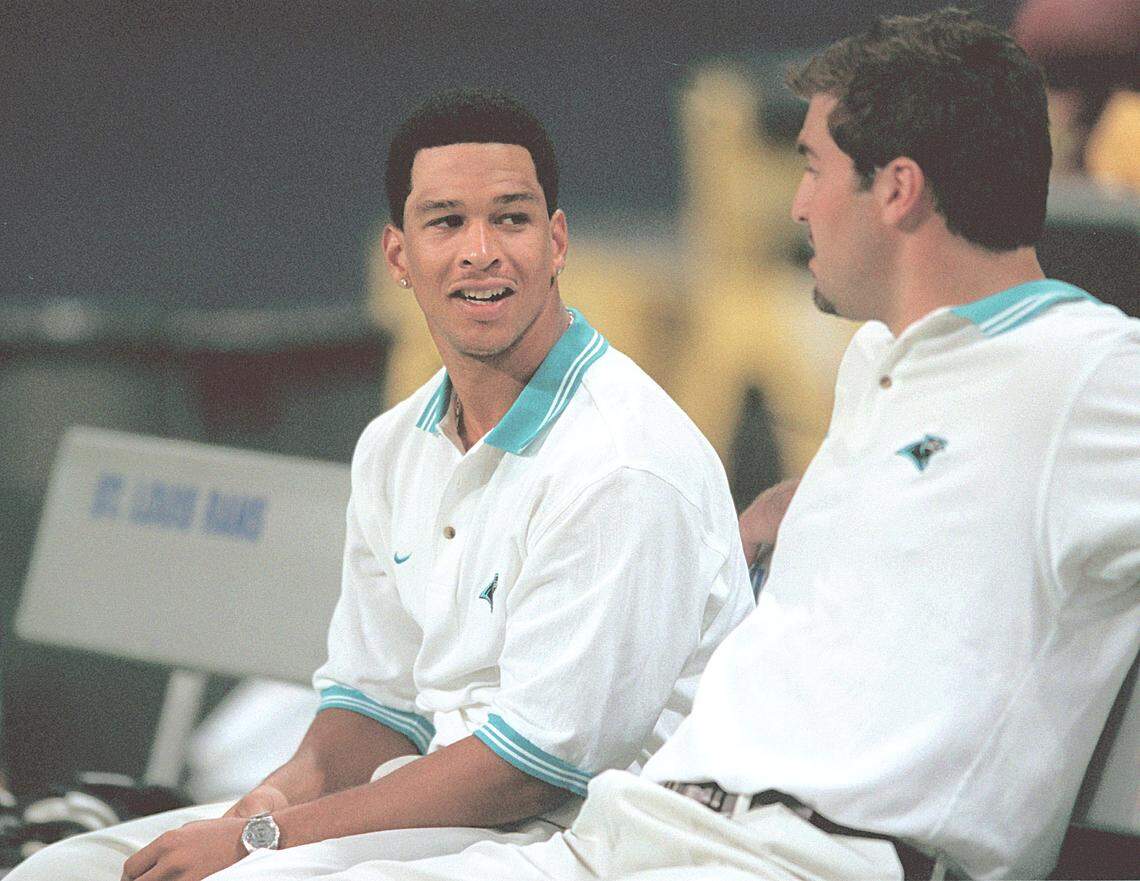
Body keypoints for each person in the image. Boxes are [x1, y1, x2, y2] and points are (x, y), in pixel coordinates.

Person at [261, 10, 1136, 880]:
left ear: (898, 189)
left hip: (806, 858)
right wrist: (784, 517)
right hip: (648, 825)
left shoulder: (1091, 373)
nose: (796, 205)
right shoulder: (881, 358)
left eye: (813, 168)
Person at [6, 90, 753, 881]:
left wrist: (259, 843)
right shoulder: (392, 446)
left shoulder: (622, 462)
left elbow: (532, 767)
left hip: (599, 833)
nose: (481, 251)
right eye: (445, 222)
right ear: (399, 256)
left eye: (511, 218)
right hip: (453, 816)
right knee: (62, 869)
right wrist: (269, 800)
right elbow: (374, 708)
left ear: (556, 240)